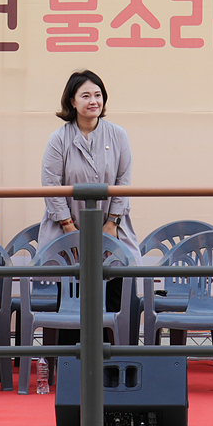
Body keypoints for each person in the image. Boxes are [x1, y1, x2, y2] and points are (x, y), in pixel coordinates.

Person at [38, 69, 140, 344]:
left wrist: (112, 222)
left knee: (116, 283)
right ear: (72, 101)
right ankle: (71, 368)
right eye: (85, 95)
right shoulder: (58, 138)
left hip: (111, 226)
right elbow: (51, 185)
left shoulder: (118, 134)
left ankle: (115, 364)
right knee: (73, 295)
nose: (93, 101)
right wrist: (69, 229)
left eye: (98, 95)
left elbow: (124, 181)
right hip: (66, 230)